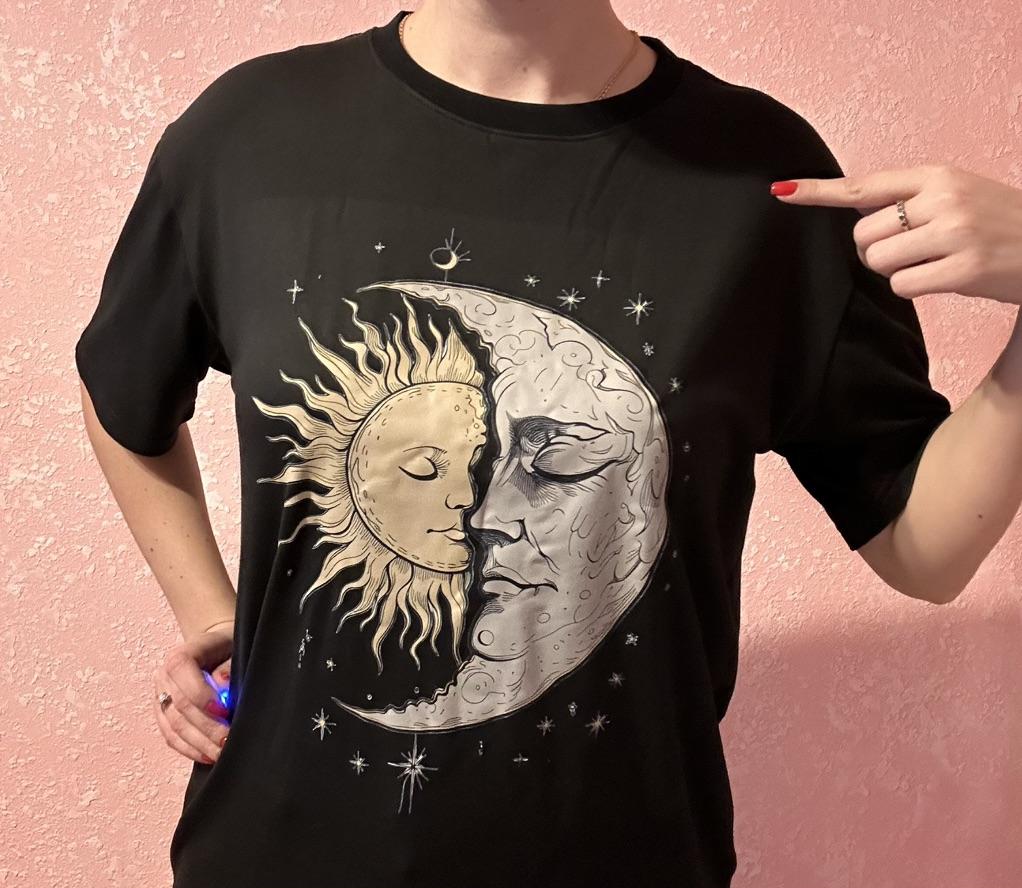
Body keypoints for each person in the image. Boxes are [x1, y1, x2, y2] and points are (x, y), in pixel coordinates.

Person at [74, 2, 1022, 886]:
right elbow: (120, 383)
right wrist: (211, 609)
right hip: (277, 854)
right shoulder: (251, 136)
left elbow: (926, 547)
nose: (478, 508)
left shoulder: (757, 174)